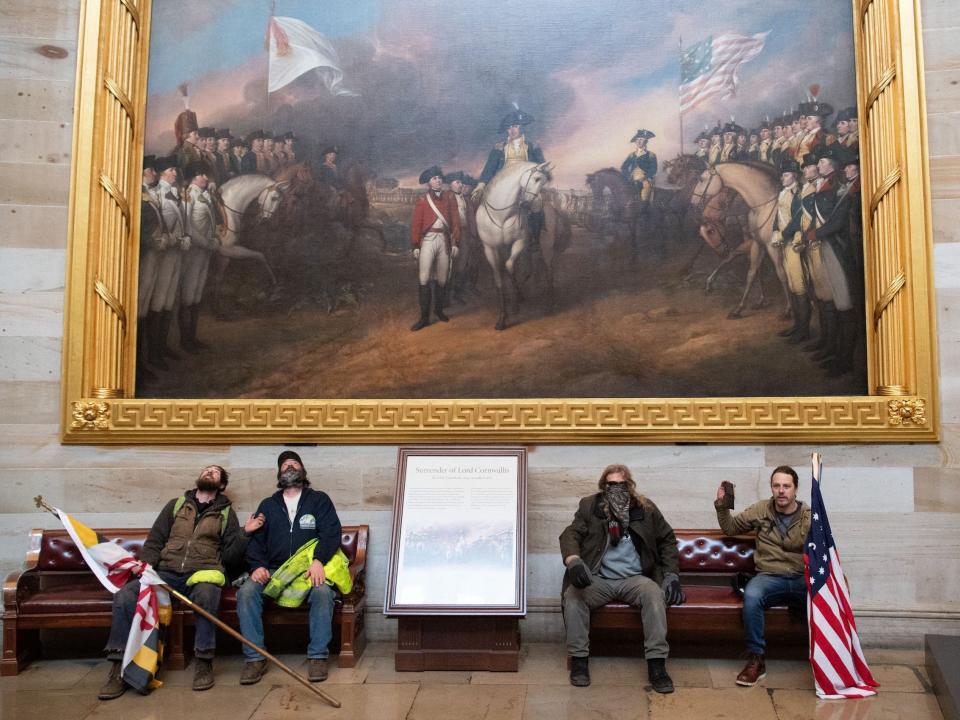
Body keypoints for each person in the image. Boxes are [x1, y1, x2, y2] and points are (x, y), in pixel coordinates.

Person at [99, 465, 248, 699]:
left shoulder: (226, 513)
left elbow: (230, 556)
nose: (209, 473)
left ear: (221, 485)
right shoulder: (176, 506)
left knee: (207, 595)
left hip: (202, 573)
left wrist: (244, 534)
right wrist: (145, 567)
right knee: (126, 595)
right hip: (165, 572)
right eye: (206, 470)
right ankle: (118, 665)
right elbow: (155, 540)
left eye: (215, 472)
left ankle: (204, 661)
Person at [559, 464, 684, 693]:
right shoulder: (590, 506)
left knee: (654, 595)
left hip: (634, 578)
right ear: (603, 486)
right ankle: (579, 661)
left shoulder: (645, 508)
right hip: (599, 578)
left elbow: (667, 539)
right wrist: (574, 560)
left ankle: (657, 665)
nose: (616, 489)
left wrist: (671, 575)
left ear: (630, 486)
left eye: (621, 485)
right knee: (573, 596)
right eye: (611, 485)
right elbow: (571, 533)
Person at [238, 451, 343, 685]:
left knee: (323, 592)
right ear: (279, 473)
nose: (289, 466)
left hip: (309, 569)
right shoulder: (268, 504)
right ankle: (255, 658)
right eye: (284, 465)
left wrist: (318, 561)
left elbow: (331, 533)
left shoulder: (319, 500)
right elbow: (256, 541)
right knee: (246, 593)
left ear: (303, 470)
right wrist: (257, 566)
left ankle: (317, 656)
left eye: (294, 463)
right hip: (274, 569)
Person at [713, 466, 811, 687]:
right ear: (772, 488)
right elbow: (730, 528)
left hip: (800, 577)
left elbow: (823, 552)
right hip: (769, 577)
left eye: (786, 486)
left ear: (795, 489)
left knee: (829, 596)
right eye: (777, 486)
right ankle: (757, 659)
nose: (781, 491)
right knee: (752, 594)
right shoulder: (761, 510)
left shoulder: (809, 517)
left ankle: (830, 655)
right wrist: (722, 505)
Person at [473, 105, 547, 246]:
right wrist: (481, 184)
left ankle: (535, 239)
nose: (512, 130)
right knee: (481, 202)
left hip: (526, 185)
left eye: (515, 126)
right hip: (501, 186)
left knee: (537, 203)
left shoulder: (532, 147)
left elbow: (543, 168)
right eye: (509, 127)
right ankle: (481, 238)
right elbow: (489, 168)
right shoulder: (499, 148)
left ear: (521, 128)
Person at [409, 165, 461, 331]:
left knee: (442, 278)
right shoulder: (423, 200)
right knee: (424, 278)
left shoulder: (450, 197)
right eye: (434, 178)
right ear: (429, 183)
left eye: (439, 177)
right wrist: (415, 244)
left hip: (444, 240)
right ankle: (424, 318)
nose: (438, 180)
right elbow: (416, 223)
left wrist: (456, 242)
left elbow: (456, 222)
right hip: (428, 240)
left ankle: (438, 311)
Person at [620, 129, 658, 209]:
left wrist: (644, 177)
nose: (639, 142)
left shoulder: (651, 155)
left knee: (645, 194)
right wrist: (628, 175)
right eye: (637, 140)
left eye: (641, 140)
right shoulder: (631, 155)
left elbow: (653, 169)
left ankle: (644, 212)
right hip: (632, 179)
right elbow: (623, 167)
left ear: (646, 141)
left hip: (645, 180)